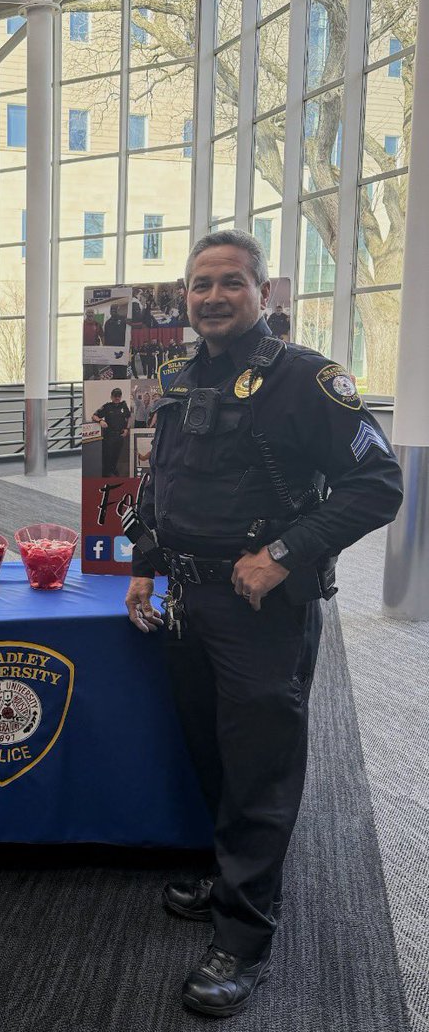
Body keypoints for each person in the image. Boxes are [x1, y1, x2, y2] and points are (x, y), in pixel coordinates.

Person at [123, 230, 402, 1018]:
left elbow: (377, 482)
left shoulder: (307, 378)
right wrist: (144, 561)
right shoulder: (181, 377)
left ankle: (243, 935)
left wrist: (282, 552)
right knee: (212, 750)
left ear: (262, 294)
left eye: (229, 283)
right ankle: (229, 877)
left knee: (260, 768)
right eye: (199, 284)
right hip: (185, 597)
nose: (211, 297)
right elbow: (161, 479)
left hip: (258, 610)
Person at [92, 387, 131, 476]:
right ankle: (106, 472)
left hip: (120, 435)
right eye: (115, 396)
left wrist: (126, 429)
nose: (117, 398)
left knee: (116, 455)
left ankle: (113, 469)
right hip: (109, 436)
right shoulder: (107, 406)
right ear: (111, 397)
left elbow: (129, 417)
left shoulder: (124, 406)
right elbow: (94, 416)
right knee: (107, 455)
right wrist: (100, 421)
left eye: (119, 396)